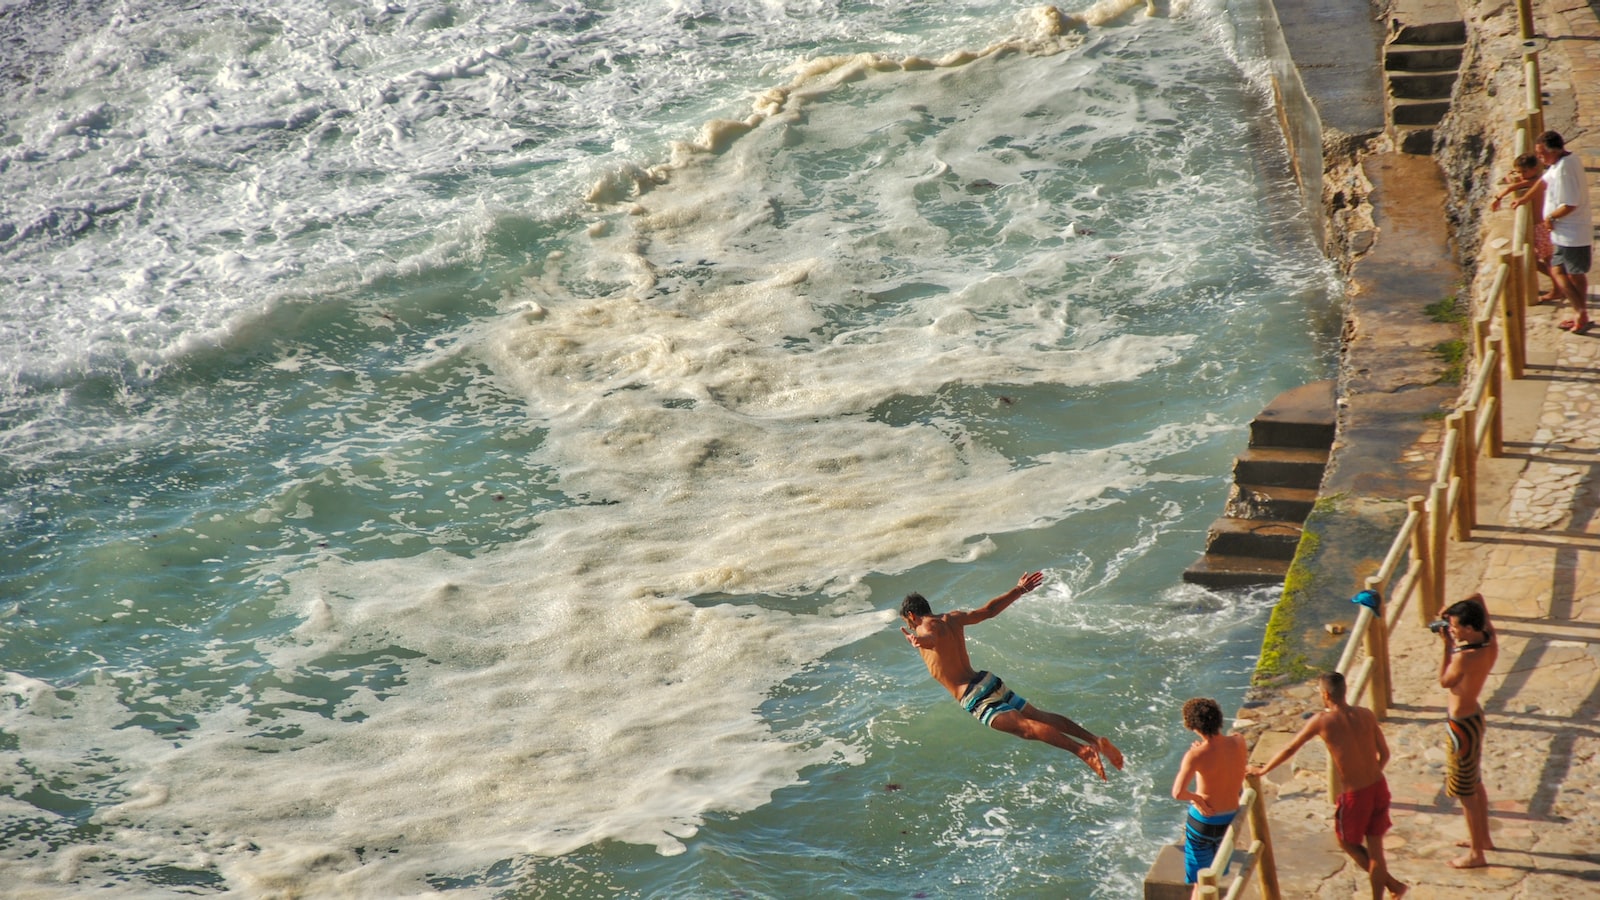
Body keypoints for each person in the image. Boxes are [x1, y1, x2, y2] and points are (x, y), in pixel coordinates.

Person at [899, 571, 1124, 779]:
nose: (909, 627)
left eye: (908, 622)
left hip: (972, 694)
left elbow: (931, 638)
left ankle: (1083, 751)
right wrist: (1019, 590)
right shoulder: (953, 618)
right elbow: (988, 611)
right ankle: (1095, 740)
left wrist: (919, 641)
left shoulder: (924, 629)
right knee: (1038, 716)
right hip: (986, 680)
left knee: (1025, 728)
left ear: (912, 615)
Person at [1246, 672, 1406, 899]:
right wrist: (1370, 776)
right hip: (1378, 786)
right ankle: (1390, 888)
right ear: (1344, 691)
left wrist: (1262, 770)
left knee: (1347, 842)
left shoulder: (1322, 721)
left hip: (1355, 795)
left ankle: (1393, 885)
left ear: (1325, 695)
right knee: (1376, 851)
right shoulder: (1366, 714)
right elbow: (1385, 754)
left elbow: (1290, 748)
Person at [1437, 593, 1498, 869]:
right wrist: (1452, 610)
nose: (1452, 630)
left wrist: (1446, 647)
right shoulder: (1489, 640)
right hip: (1475, 716)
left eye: (1456, 627)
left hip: (1461, 725)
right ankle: (1482, 839)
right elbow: (1478, 598)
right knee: (1475, 781)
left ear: (1469, 629)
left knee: (1466, 792)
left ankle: (1476, 854)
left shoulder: (1465, 658)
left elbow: (1444, 681)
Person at [1515, 131, 1593, 332]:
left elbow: (1571, 203)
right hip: (1562, 233)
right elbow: (1542, 182)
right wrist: (1524, 199)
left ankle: (1581, 313)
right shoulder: (1558, 164)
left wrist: (1551, 217)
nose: (1540, 159)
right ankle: (1580, 312)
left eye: (1542, 154)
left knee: (1573, 274)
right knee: (1560, 271)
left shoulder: (1565, 168)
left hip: (1573, 232)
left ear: (1555, 150)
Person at [1170, 697, 1248, 887]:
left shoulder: (1195, 755)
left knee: (1200, 883)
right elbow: (1228, 766)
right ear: (1218, 718)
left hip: (1203, 823)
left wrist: (1197, 799)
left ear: (1192, 726)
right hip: (1228, 819)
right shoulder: (1239, 742)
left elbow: (1178, 793)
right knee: (1216, 877)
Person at [1492, 154, 1555, 299]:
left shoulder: (1538, 181)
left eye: (1524, 172)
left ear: (1534, 169)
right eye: (1519, 172)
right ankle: (1559, 282)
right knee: (1532, 258)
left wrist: (1498, 197)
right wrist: (1512, 176)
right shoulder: (1529, 178)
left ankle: (1559, 285)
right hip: (1536, 227)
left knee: (1546, 260)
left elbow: (1516, 186)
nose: (1521, 175)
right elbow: (1514, 180)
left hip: (1541, 227)